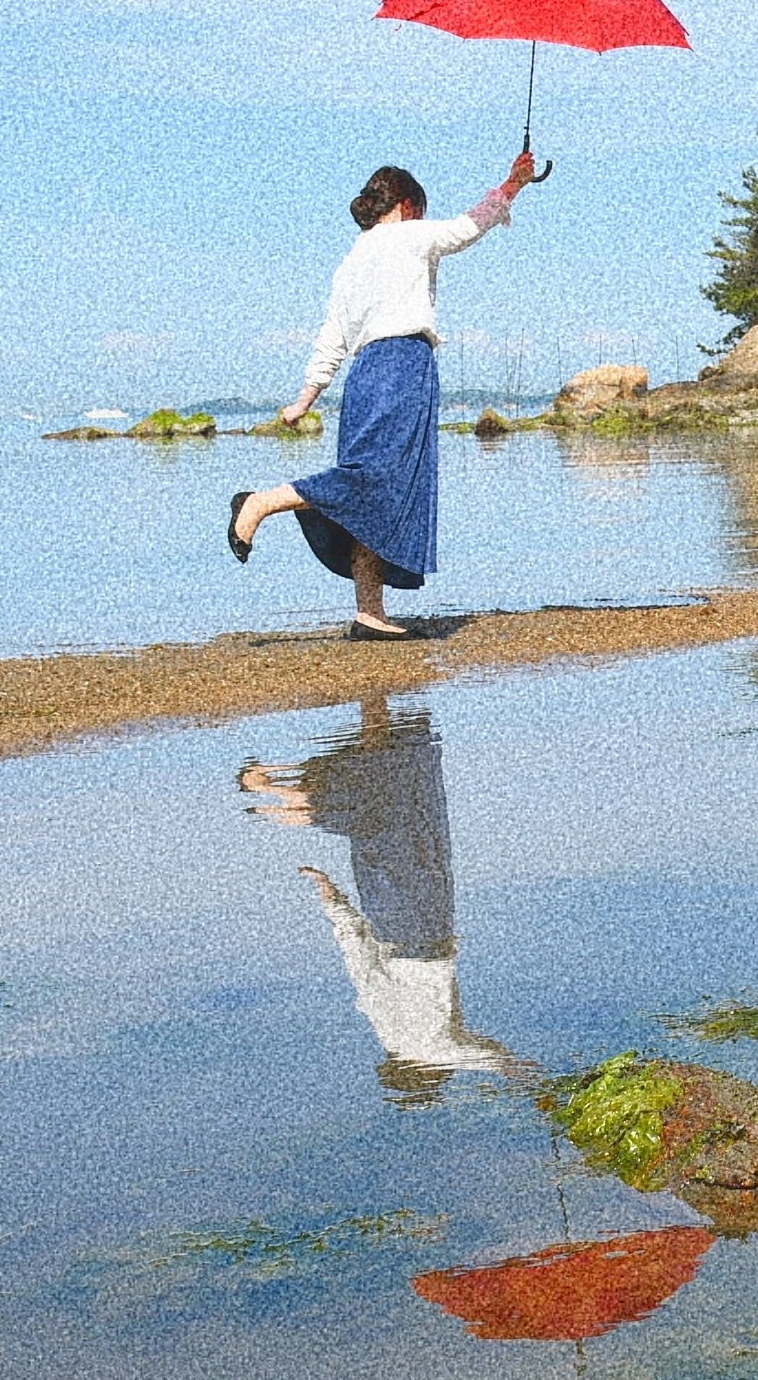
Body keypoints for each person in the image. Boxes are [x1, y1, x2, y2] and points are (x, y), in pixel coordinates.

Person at [228, 153, 535, 636]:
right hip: (402, 365)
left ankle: (369, 614)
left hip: (364, 373)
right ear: (409, 206)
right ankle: (260, 503)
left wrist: (307, 397)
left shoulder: (351, 261)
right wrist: (513, 185)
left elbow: (332, 335)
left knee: (376, 492)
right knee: (373, 481)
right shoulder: (410, 235)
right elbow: (467, 227)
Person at [238, 698, 529, 1098]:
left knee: (402, 828)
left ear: (422, 1075)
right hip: (387, 921)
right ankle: (306, 787)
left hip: (422, 930)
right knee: (382, 836)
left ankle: (289, 798)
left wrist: (519, 1074)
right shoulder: (383, 1025)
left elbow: (469, 1054)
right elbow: (357, 956)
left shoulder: (421, 1049)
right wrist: (329, 894)